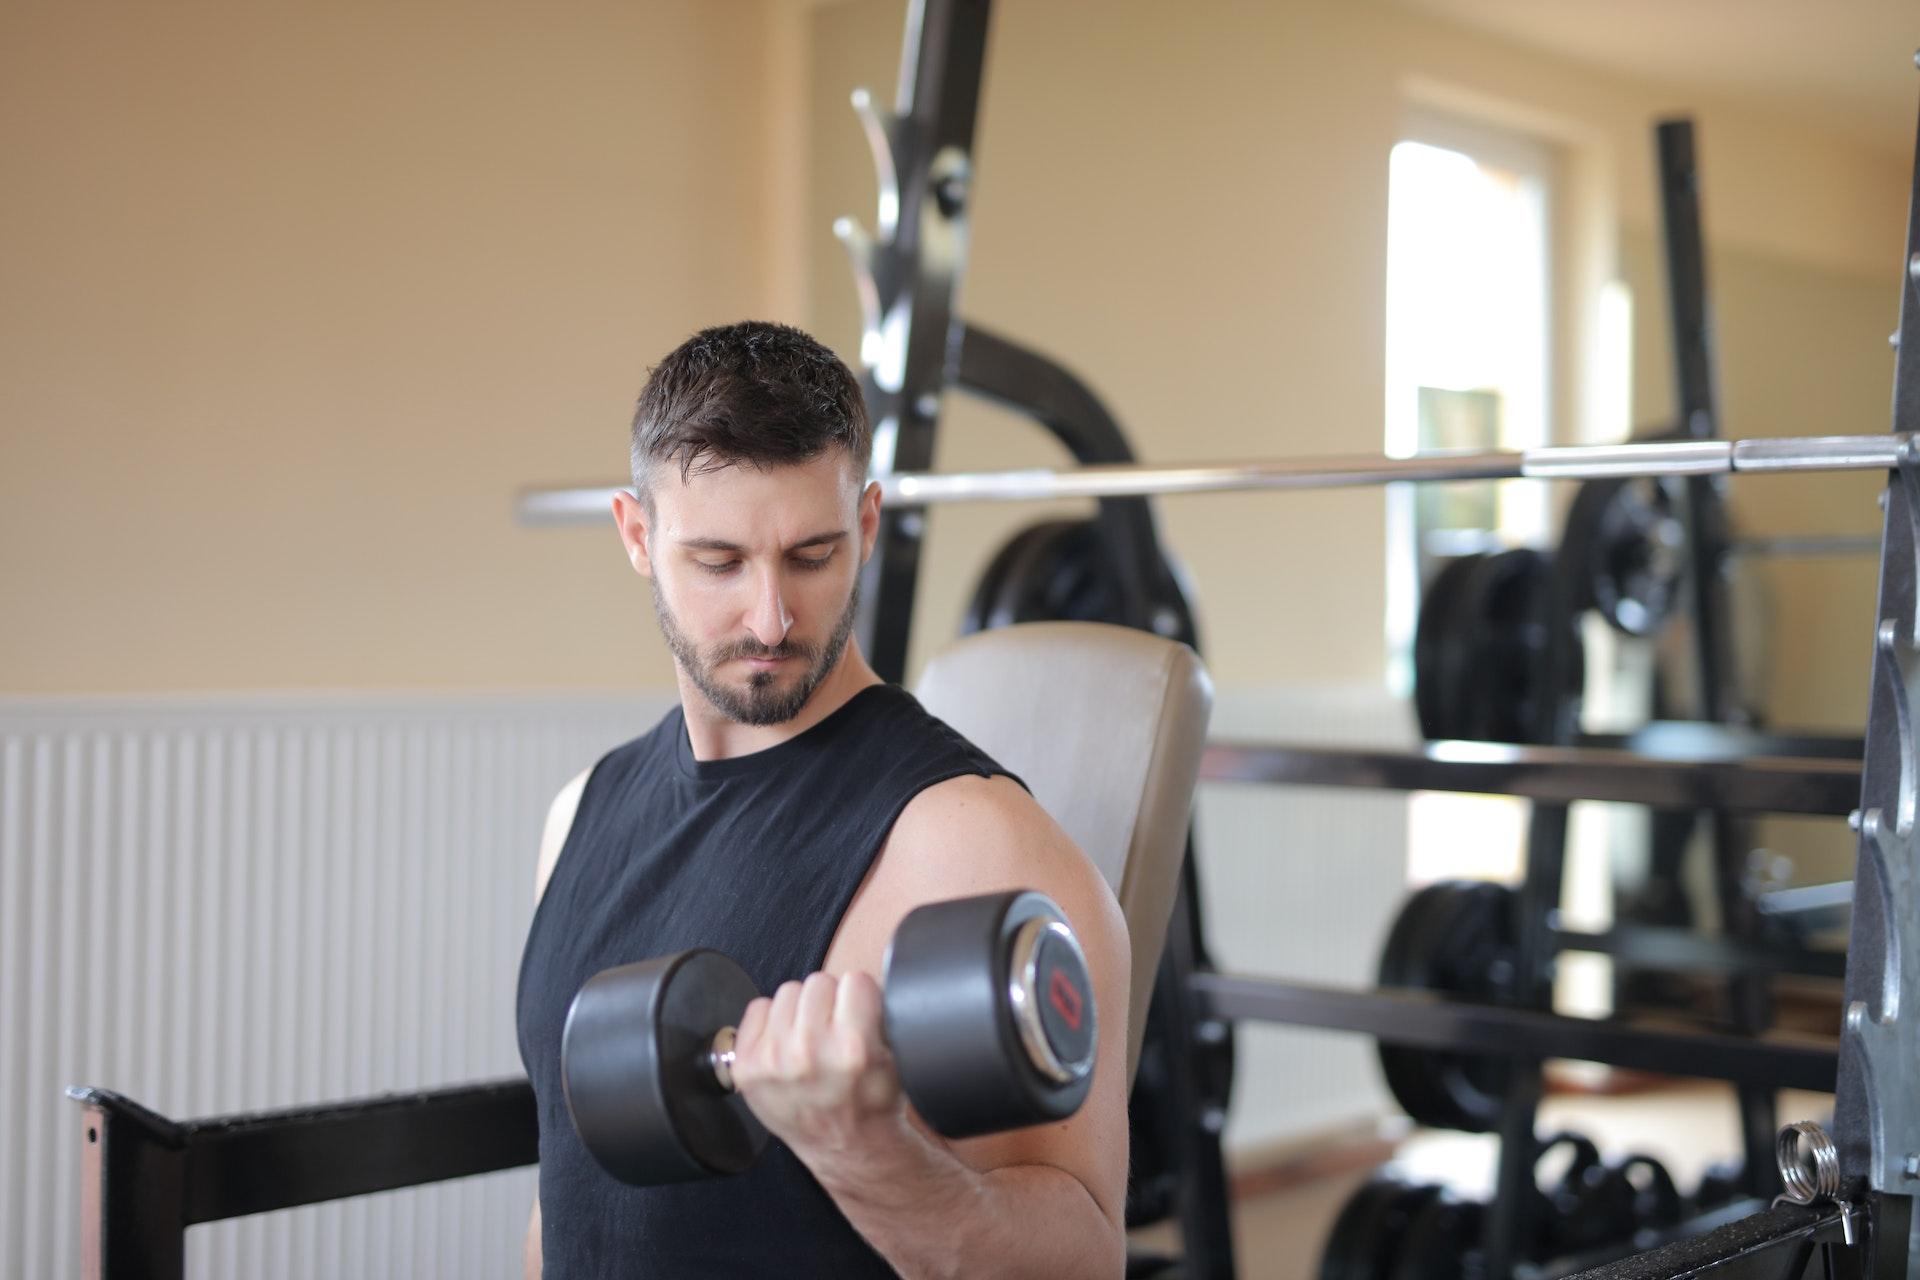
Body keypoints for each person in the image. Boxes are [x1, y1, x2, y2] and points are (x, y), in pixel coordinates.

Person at [515, 321, 1130, 1278]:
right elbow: (567, 1198)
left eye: (812, 555)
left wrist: (864, 1149)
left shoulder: (972, 846)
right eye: (719, 562)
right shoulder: (580, 814)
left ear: (869, 527)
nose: (770, 619)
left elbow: (1084, 1262)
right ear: (639, 537)